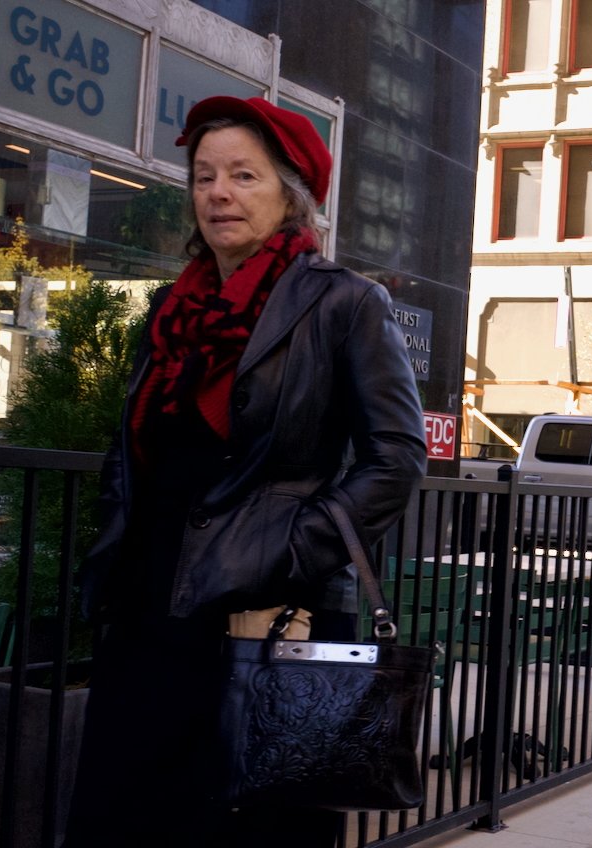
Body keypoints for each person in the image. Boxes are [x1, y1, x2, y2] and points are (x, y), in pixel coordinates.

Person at [65, 96, 427, 847]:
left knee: (247, 831)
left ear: (290, 195)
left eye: (242, 175)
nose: (218, 194)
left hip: (267, 620)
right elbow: (133, 453)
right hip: (146, 615)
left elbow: (395, 458)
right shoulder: (170, 310)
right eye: (203, 177)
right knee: (121, 820)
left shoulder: (344, 305)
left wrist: (291, 556)